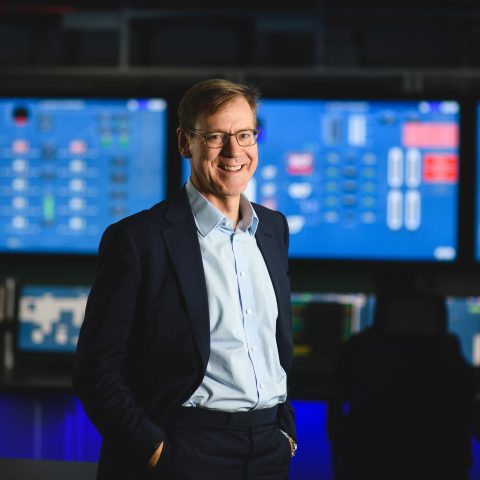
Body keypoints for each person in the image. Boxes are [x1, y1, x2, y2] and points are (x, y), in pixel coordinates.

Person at [73, 78, 297, 480]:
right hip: (185, 448)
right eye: (215, 136)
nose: (234, 151)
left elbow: (271, 346)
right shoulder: (137, 240)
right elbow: (96, 371)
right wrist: (155, 450)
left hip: (267, 448)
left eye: (245, 135)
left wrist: (285, 432)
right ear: (184, 143)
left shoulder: (273, 230)